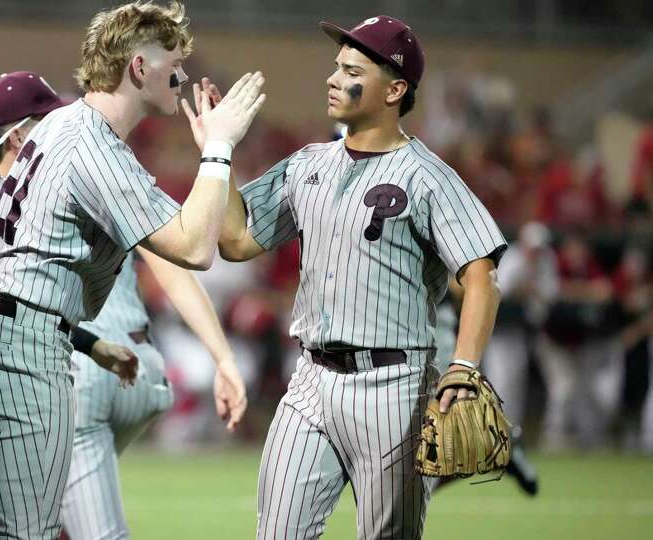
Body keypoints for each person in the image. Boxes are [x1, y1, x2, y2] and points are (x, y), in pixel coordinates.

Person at [0, 2, 263, 537]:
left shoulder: (68, 127)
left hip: (14, 337)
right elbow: (193, 250)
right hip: (18, 350)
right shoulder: (89, 139)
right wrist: (219, 148)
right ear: (138, 67)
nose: (182, 77)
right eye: (173, 64)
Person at [216, 15, 506, 539]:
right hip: (309, 380)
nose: (332, 78)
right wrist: (216, 152)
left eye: (351, 69)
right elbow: (236, 241)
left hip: (394, 387)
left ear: (395, 88)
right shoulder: (307, 162)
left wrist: (464, 365)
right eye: (336, 66)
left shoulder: (428, 175)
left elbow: (481, 275)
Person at [0, 71, 139, 539]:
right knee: (20, 528)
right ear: (19, 135)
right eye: (45, 120)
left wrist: (92, 345)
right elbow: (4, 302)